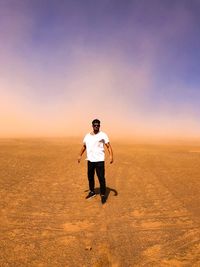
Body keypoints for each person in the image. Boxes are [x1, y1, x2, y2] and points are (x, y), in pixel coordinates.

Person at [78, 119, 113, 204]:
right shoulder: (87, 136)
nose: (96, 126)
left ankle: (103, 195)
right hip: (90, 160)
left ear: (99, 126)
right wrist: (80, 155)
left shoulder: (103, 135)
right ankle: (92, 192)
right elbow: (84, 146)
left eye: (98, 125)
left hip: (99, 160)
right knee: (90, 177)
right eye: (95, 125)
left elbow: (108, 146)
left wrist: (111, 156)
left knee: (101, 178)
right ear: (92, 126)